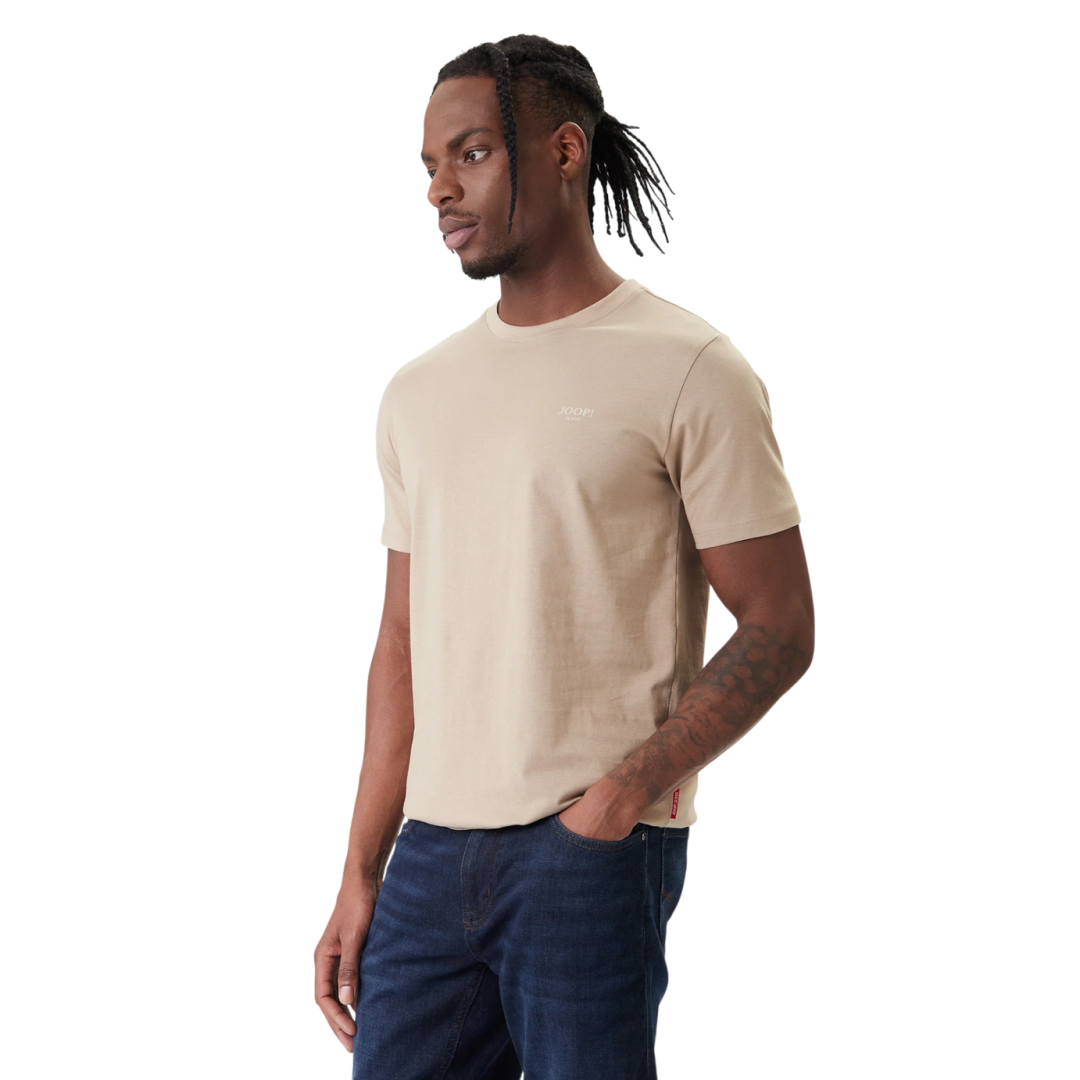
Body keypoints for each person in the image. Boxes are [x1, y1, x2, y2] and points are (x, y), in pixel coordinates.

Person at [314, 32, 816, 1079]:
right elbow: (401, 641)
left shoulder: (689, 368)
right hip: (426, 857)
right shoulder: (417, 393)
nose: (439, 189)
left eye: (471, 154)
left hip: (585, 853)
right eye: (428, 165)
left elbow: (779, 625)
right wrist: (359, 871)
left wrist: (620, 798)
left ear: (563, 151)